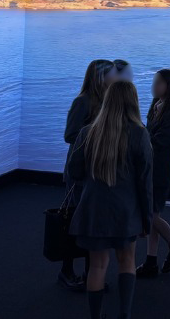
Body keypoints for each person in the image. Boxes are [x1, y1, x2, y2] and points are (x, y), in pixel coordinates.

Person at [68, 80, 154, 319]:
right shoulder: (139, 133)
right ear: (133, 101)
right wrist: (147, 219)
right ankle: (124, 315)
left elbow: (72, 171)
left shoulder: (88, 131)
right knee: (127, 261)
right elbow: (145, 182)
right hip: (126, 211)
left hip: (94, 209)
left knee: (97, 267)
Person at [59, 59, 115, 291]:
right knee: (74, 220)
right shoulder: (83, 102)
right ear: (101, 77)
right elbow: (70, 135)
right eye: (112, 74)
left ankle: (91, 274)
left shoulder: (106, 102)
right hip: (80, 172)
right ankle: (67, 270)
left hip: (97, 171)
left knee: (92, 223)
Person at [137, 69, 170, 278]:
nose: (154, 86)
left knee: (150, 215)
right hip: (151, 169)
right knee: (153, 215)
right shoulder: (156, 106)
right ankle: (151, 260)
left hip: (160, 171)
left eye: (158, 83)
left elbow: (158, 142)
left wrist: (136, 139)